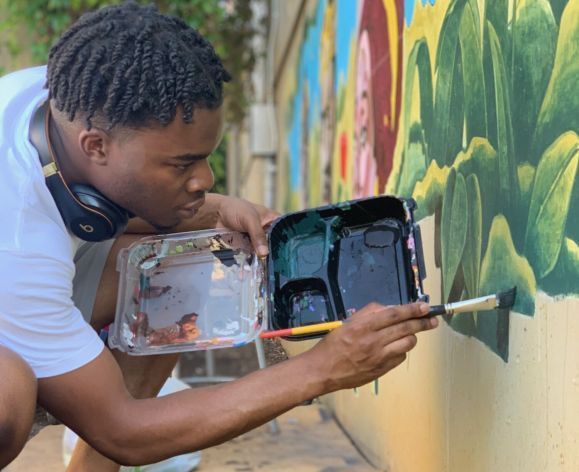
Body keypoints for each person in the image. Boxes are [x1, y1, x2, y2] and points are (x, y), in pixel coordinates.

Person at [0, 2, 438, 470]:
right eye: (182, 164)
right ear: (96, 145)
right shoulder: (19, 245)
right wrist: (321, 369)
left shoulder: (62, 97)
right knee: (8, 395)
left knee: (179, 267)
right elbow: (124, 429)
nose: (205, 178)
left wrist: (219, 209)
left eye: (205, 158)